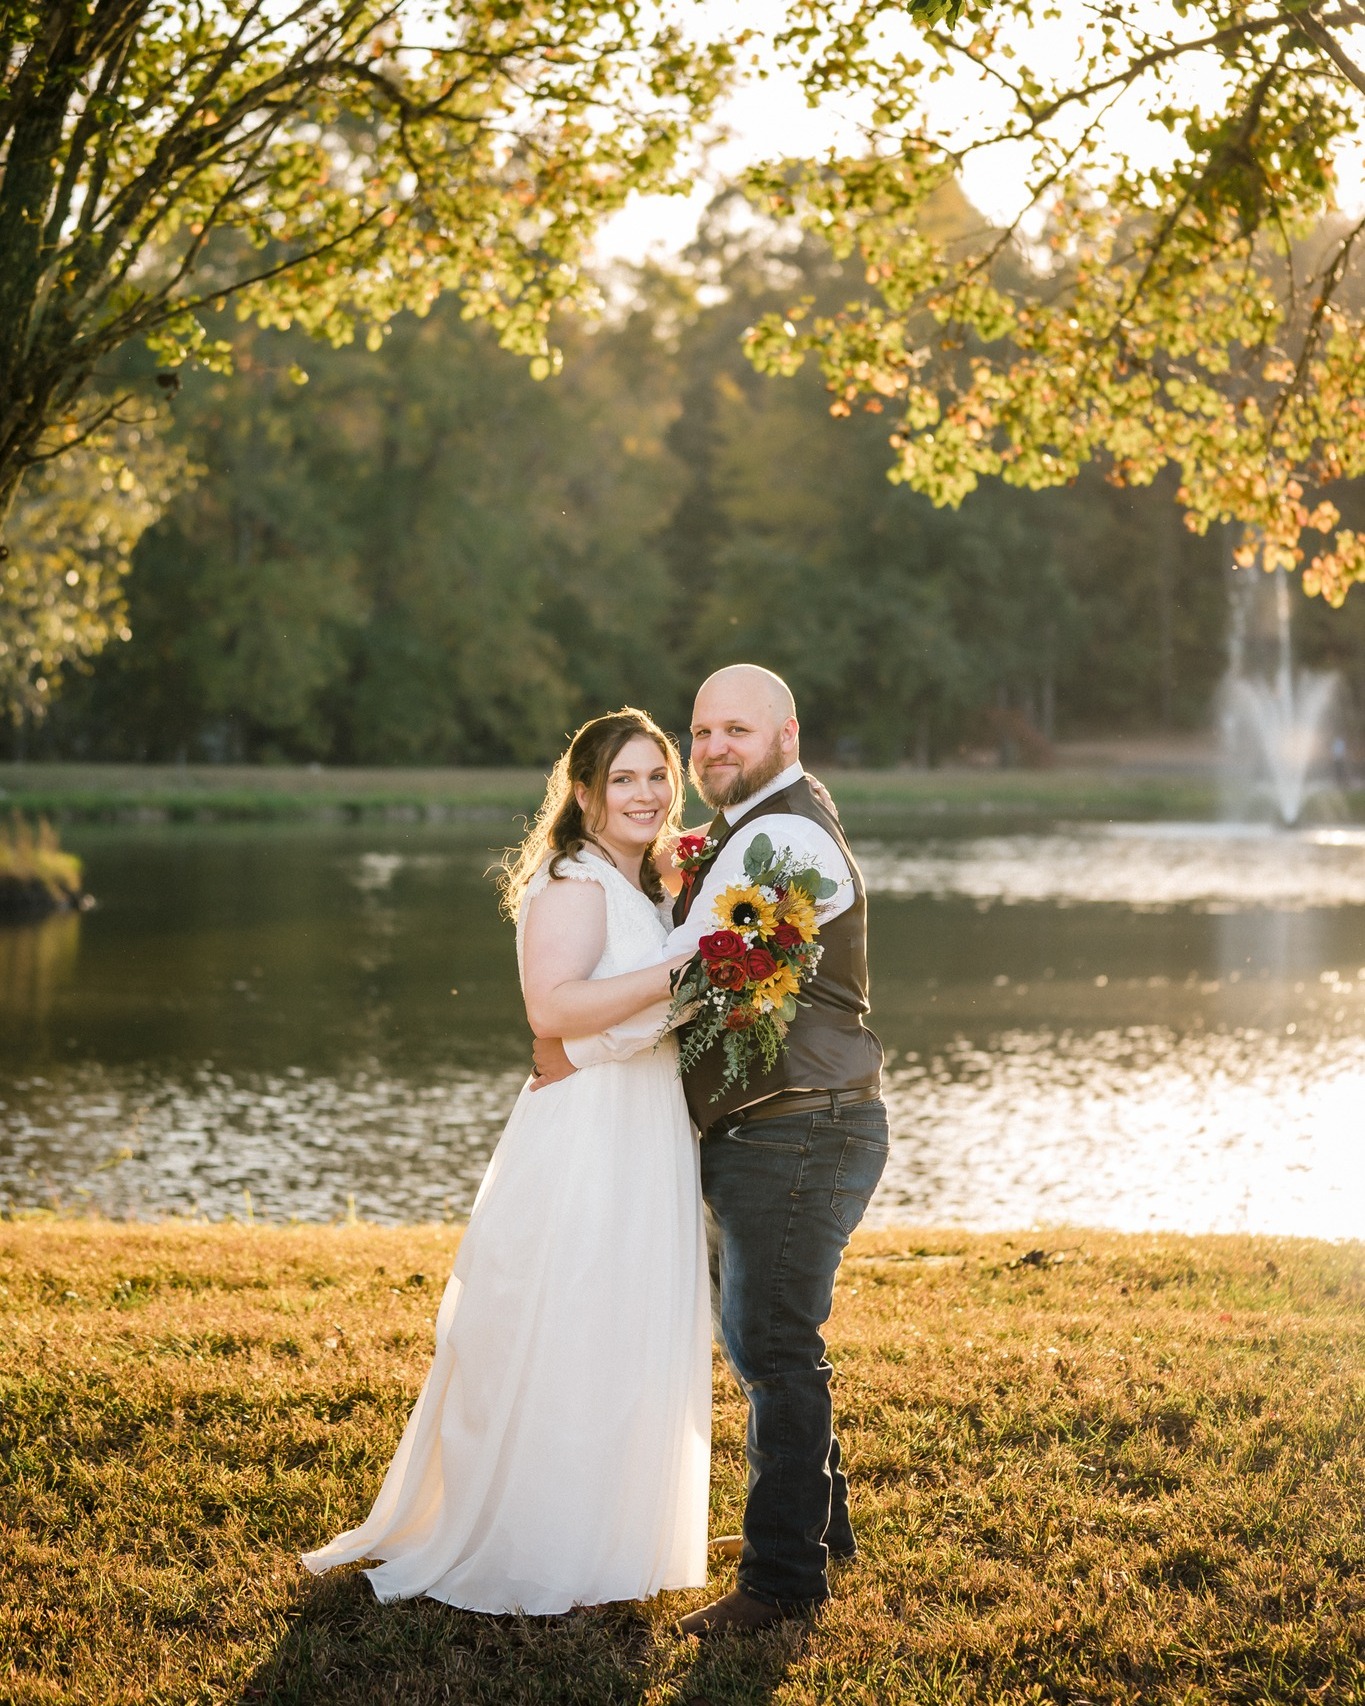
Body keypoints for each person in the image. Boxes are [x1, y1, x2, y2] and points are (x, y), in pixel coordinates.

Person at [302, 709, 710, 1614]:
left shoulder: (647, 884)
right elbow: (552, 1011)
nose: (644, 795)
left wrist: (691, 951)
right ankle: (538, 1543)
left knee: (624, 1324)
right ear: (584, 794)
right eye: (624, 781)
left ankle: (615, 1541)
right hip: (585, 1135)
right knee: (567, 1320)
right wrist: (687, 968)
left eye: (656, 777)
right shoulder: (574, 879)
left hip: (642, 1125)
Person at [534, 664, 888, 1636]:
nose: (715, 746)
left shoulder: (779, 834)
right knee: (769, 1335)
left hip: (801, 1124)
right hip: (776, 1123)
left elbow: (688, 978)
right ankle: (817, 1526)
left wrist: (567, 1043)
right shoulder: (758, 826)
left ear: (787, 732)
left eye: (738, 726)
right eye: (703, 730)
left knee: (773, 1348)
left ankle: (781, 1584)